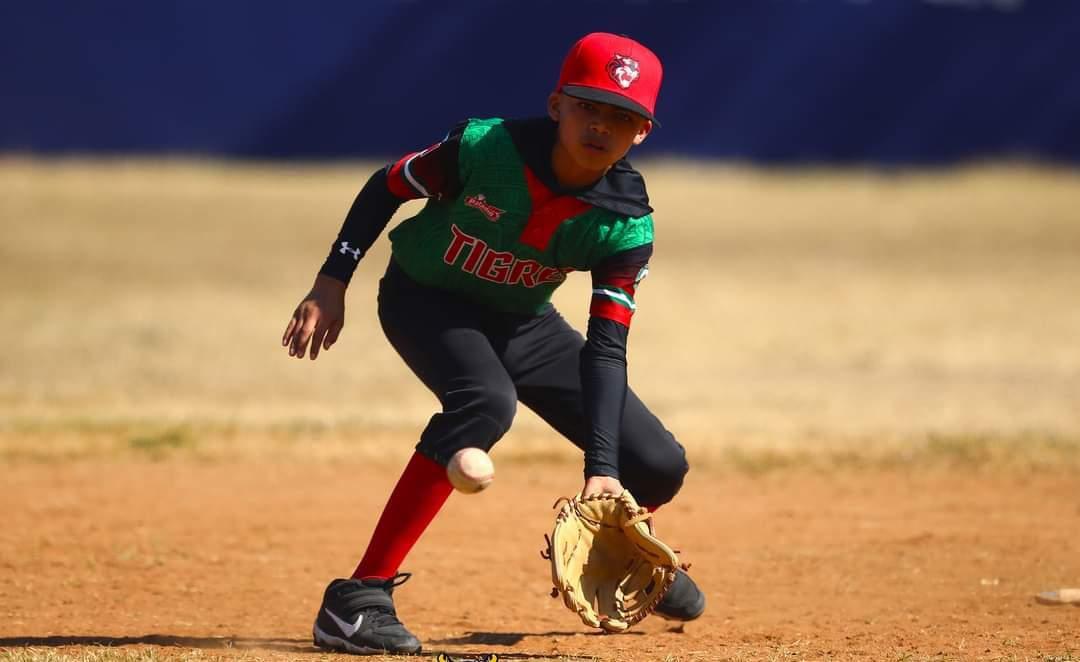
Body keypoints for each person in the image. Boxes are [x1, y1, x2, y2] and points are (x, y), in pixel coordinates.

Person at [282, 32, 705, 656]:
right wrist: (331, 281)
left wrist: (604, 472)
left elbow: (605, 348)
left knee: (658, 465)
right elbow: (386, 185)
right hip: (426, 299)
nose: (601, 126)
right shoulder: (486, 149)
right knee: (484, 403)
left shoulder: (624, 222)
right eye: (589, 106)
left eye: (622, 117)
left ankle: (619, 554)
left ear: (642, 133)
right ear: (558, 103)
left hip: (524, 324)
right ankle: (357, 600)